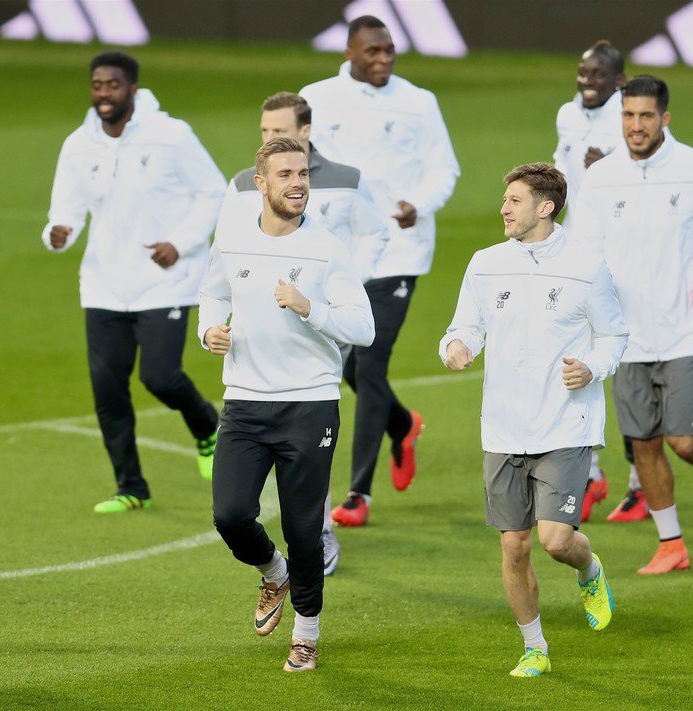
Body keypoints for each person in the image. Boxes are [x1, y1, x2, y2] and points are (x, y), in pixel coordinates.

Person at [573, 76, 693, 574]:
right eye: (628, 116)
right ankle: (671, 544)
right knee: (643, 443)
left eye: (645, 116)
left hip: (688, 328)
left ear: (665, 117)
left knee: (684, 440)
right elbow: (584, 251)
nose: (636, 126)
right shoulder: (600, 179)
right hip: (626, 334)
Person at [439, 163, 625, 676]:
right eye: (506, 200)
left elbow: (615, 336)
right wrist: (456, 346)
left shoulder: (587, 266)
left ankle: (589, 569)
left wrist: (592, 366)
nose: (503, 208)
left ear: (545, 208)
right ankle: (535, 648)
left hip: (566, 424)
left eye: (515, 201)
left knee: (555, 540)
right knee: (515, 546)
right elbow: (465, 325)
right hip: (502, 426)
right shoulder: (485, 263)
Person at [199, 137, 375, 672]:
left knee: (304, 528)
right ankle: (272, 571)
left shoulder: (326, 248)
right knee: (229, 514)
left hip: (309, 403)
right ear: (262, 182)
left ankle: (307, 633)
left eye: (303, 174)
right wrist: (210, 330)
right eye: (286, 175)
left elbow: (363, 328)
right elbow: (213, 293)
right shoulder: (231, 240)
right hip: (246, 403)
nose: (299, 183)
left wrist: (311, 308)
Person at [42, 51, 224, 513]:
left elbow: (213, 191)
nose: (104, 93)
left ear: (133, 89)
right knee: (107, 389)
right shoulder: (78, 144)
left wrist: (180, 243)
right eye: (98, 85)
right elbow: (64, 208)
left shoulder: (172, 135)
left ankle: (206, 427)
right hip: (103, 284)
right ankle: (131, 487)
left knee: (160, 377)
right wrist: (57, 233)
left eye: (113, 85)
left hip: (165, 279)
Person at [220, 92, 390, 576]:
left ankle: (318, 533)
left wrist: (344, 286)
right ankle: (292, 555)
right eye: (265, 132)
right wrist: (218, 321)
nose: (271, 138)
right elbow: (224, 259)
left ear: (306, 130)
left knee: (313, 419)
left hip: (323, 313)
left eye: (280, 131)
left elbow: (375, 235)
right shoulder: (240, 186)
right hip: (264, 327)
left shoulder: (346, 181)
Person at [301, 14, 460, 528]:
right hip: (339, 251)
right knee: (346, 363)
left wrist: (420, 201)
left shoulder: (419, 102)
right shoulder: (318, 97)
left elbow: (445, 167)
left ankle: (357, 494)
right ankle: (402, 423)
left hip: (399, 250)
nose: (384, 58)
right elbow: (301, 157)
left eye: (389, 49)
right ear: (349, 51)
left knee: (369, 363)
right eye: (373, 50)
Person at [551, 39, 646, 523]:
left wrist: (604, 167)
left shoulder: (630, 123)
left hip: (621, 263)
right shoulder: (569, 115)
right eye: (582, 73)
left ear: (619, 82)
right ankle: (588, 473)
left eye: (597, 75)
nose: (587, 82)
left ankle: (638, 482)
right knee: (576, 364)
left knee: (625, 370)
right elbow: (559, 175)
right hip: (576, 258)